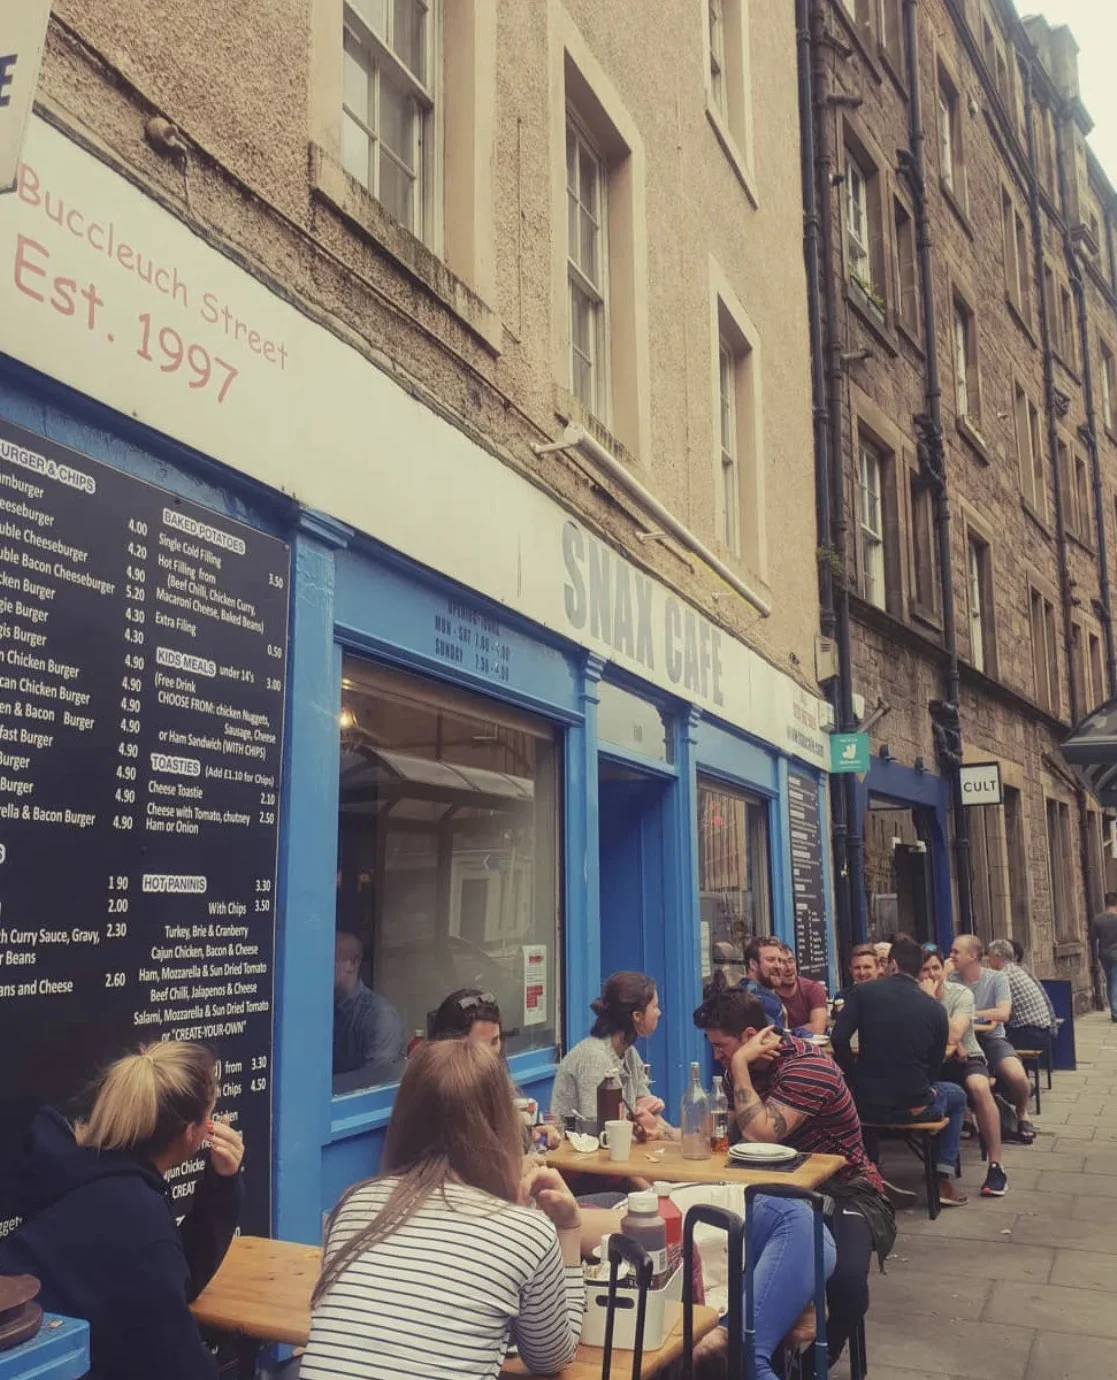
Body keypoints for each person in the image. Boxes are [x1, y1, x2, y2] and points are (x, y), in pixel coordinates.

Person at [299, 1040, 584, 1379]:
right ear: (501, 1124)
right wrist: (569, 1227)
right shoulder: (527, 1232)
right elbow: (553, 1358)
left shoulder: (353, 1204)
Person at [0, 1042, 244, 1380]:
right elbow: (183, 1364)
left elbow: (173, 1281)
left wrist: (222, 1185)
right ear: (192, 1133)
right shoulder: (137, 1219)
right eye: (210, 1116)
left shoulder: (76, 1172)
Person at [694, 974, 895, 1369]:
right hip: (774, 1189)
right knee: (729, 1262)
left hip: (845, 1188)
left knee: (847, 1280)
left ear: (750, 1036)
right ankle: (747, 1353)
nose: (717, 1055)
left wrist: (739, 1065)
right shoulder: (742, 1070)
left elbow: (761, 1131)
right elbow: (719, 1133)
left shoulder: (806, 1066)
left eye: (721, 1046)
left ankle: (812, 1366)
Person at [832, 935, 968, 1207]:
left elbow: (838, 1038)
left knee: (867, 1098)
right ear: (919, 971)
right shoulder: (935, 1009)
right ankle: (942, 1177)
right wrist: (925, 1089)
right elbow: (935, 1066)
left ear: (891, 964)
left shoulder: (863, 993)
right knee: (958, 1095)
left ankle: (870, 1172)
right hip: (914, 1106)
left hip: (866, 1105)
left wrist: (853, 1076)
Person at [920, 946, 1007, 1197]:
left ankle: (996, 1165)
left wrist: (931, 1001)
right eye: (925, 970)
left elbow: (954, 1034)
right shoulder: (912, 997)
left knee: (979, 1087)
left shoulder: (960, 994)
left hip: (967, 1056)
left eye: (936, 968)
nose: (932, 974)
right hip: (931, 1064)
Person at [549, 971, 669, 1137]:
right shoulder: (593, 1058)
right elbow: (601, 1130)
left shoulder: (629, 1054)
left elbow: (648, 1111)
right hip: (578, 1150)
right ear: (637, 1016)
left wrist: (666, 1131)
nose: (659, 1012)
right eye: (654, 1007)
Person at [948, 935, 1036, 1143]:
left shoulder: (996, 978)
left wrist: (968, 1013)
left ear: (972, 955)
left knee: (1017, 1076)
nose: (951, 956)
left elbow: (1003, 1013)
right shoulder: (950, 981)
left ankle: (1022, 1112)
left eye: (956, 952)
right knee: (958, 1074)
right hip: (965, 1042)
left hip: (993, 1039)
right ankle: (967, 1116)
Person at [333, 930, 407, 1092]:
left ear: (352, 963)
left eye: (329, 960)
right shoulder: (321, 1009)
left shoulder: (380, 1016)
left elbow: (375, 1085)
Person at [986, 939, 1058, 1055]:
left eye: (989, 956)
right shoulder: (1016, 969)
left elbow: (995, 1008)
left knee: (992, 1044)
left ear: (997, 956)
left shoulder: (1003, 976)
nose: (988, 960)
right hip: (1041, 1031)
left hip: (1030, 1033)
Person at [774, 944, 829, 1034]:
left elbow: (817, 1029)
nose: (789, 967)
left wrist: (785, 1033)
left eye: (791, 961)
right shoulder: (768, 995)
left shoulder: (813, 989)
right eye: (782, 963)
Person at [739, 935, 788, 1026]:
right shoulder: (767, 1003)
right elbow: (777, 1035)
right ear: (753, 964)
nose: (778, 966)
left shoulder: (738, 990)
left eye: (780, 961)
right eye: (770, 960)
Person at [1089, 891, 1117, 1022]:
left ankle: (1114, 1010)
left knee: (1111, 981)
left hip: (1105, 956)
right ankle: (1115, 1012)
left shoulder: (1097, 920)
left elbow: (1093, 939)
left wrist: (1098, 955)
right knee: (1114, 982)